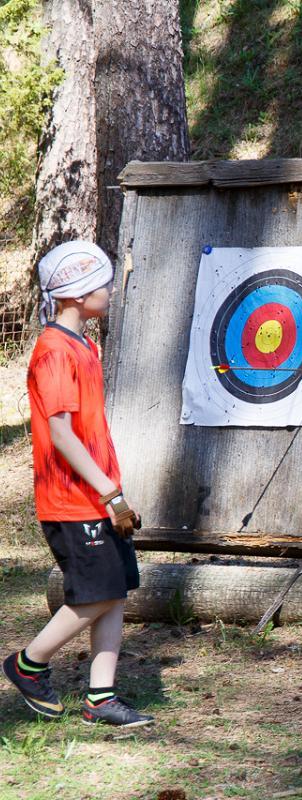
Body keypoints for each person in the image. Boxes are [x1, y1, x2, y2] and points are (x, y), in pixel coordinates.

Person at [2, 241, 152, 728]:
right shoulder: (53, 350)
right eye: (102, 284)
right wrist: (110, 492)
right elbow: (62, 433)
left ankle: (101, 697)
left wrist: (111, 490)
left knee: (116, 589)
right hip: (73, 500)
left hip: (98, 495)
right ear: (76, 294)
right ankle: (29, 664)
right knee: (96, 594)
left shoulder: (86, 345)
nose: (110, 291)